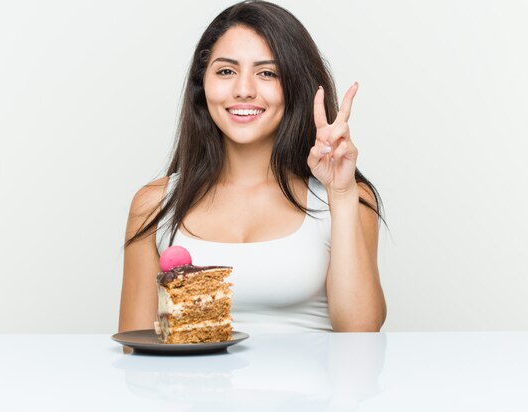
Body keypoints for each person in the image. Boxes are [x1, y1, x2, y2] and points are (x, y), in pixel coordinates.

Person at [119, 0, 386, 335]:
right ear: (203, 86)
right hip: (190, 387)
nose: (244, 90)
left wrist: (342, 194)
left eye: (267, 73)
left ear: (295, 87)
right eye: (226, 71)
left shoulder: (345, 198)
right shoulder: (154, 205)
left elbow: (361, 333)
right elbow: (136, 348)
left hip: (316, 388)